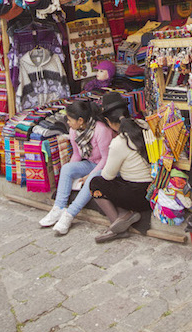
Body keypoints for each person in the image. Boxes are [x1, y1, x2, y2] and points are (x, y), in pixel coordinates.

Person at [38, 100, 113, 235]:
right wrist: (73, 171)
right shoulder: (74, 131)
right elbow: (77, 154)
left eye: (69, 120)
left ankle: (69, 214)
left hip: (106, 166)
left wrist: (89, 176)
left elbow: (106, 159)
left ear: (80, 120)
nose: (67, 122)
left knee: (92, 179)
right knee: (67, 169)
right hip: (90, 163)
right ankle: (58, 207)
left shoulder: (101, 130)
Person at [90, 92, 152, 243]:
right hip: (153, 191)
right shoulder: (144, 125)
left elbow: (107, 176)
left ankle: (117, 225)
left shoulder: (119, 142)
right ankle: (124, 217)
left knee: (96, 183)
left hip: (138, 197)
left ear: (108, 121)